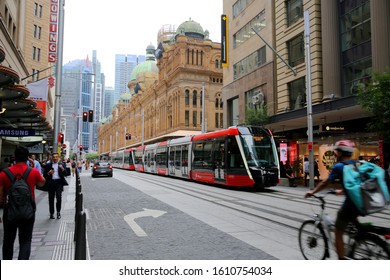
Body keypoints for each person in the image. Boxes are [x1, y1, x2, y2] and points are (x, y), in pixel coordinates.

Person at [304, 140, 359, 260]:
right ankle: (360, 242)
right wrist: (342, 191)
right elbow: (355, 184)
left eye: (336, 152)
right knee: (355, 230)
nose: (335, 154)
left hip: (350, 205)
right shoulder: (356, 164)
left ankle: (341, 259)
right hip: (361, 204)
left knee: (338, 231)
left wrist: (312, 192)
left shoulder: (339, 166)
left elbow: (325, 183)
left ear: (339, 153)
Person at [0, 145, 45, 260]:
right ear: (27, 158)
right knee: (25, 241)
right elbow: (42, 183)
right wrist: (32, 166)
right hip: (28, 212)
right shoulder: (33, 172)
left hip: (9, 212)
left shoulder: (4, 173)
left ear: (14, 157)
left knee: (8, 241)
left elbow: (0, 197)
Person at [43, 152, 68, 219]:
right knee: (51, 199)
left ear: (58, 157)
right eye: (54, 157)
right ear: (52, 158)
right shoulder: (48, 165)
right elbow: (44, 175)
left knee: (59, 197)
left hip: (59, 183)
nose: (55, 158)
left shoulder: (62, 164)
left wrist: (62, 168)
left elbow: (66, 174)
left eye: (56, 157)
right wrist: (49, 173)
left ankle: (58, 212)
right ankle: (51, 213)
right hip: (51, 183)